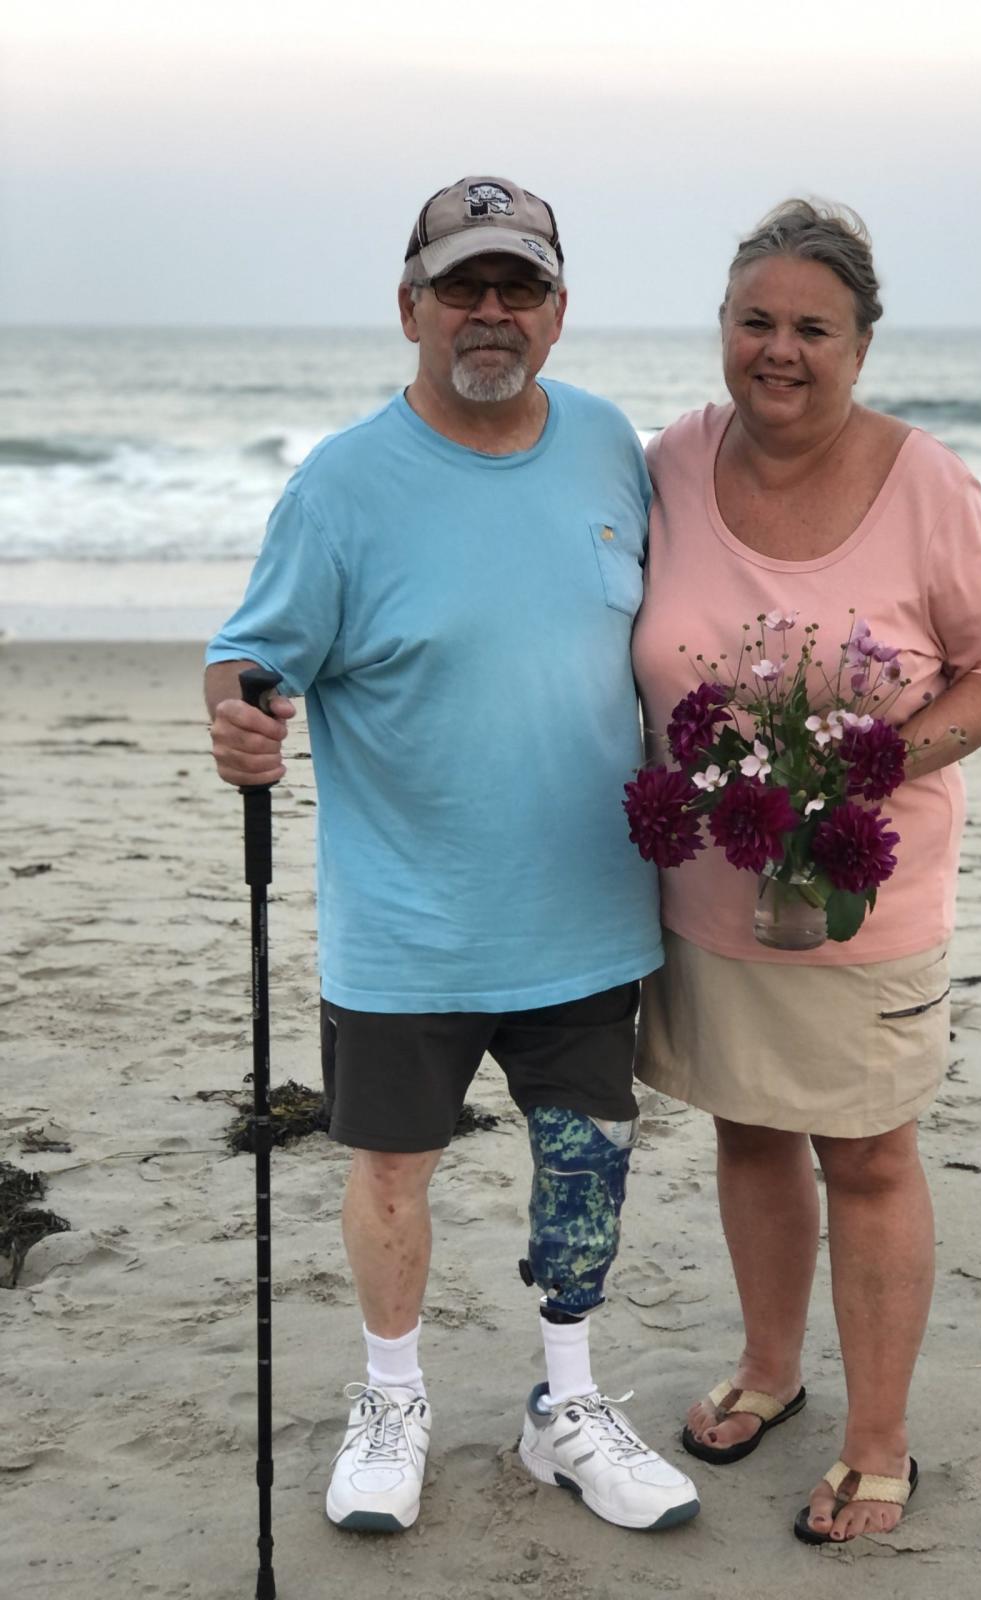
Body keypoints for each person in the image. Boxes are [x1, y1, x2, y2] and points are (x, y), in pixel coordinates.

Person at [204, 175, 700, 1536]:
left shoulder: (611, 447)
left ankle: (565, 1407)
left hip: (591, 910)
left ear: (557, 310)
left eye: (520, 287)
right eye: (464, 286)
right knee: (390, 1174)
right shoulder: (343, 486)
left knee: (585, 1164)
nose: (492, 312)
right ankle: (391, 1396)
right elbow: (251, 656)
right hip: (408, 922)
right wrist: (239, 721)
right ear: (411, 305)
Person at [631, 199, 981, 1546]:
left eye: (813, 327)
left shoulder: (930, 484)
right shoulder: (668, 464)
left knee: (867, 1154)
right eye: (756, 321)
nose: (780, 350)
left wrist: (871, 769)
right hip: (709, 897)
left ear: (862, 346)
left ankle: (880, 1442)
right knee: (747, 1127)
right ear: (722, 330)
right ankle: (769, 1366)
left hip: (865, 898)